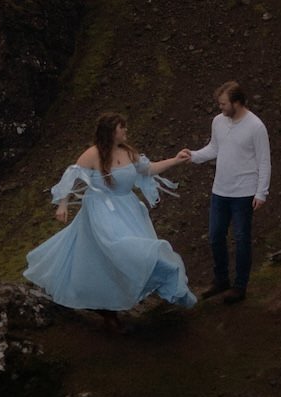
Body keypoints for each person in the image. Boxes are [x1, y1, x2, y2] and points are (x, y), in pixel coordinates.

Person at [24, 112, 195, 322]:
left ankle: (160, 284)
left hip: (129, 210)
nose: (125, 131)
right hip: (101, 211)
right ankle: (105, 308)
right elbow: (72, 177)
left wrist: (176, 160)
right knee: (115, 247)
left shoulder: (129, 152)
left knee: (140, 251)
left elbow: (148, 169)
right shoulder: (93, 155)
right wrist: (63, 203)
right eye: (121, 128)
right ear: (110, 132)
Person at [183, 81, 271, 304]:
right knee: (215, 236)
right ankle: (221, 280)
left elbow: (264, 160)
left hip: (244, 193)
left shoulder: (255, 126)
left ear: (237, 103)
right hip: (220, 190)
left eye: (223, 104)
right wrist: (192, 155)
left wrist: (261, 192)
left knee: (242, 239)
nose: (220, 108)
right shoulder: (218, 122)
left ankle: (240, 287)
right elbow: (214, 148)